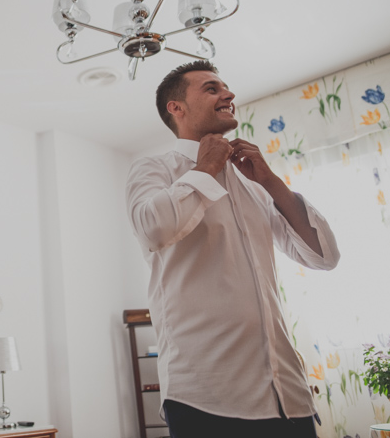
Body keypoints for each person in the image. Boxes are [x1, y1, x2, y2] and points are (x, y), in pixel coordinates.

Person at [126, 60, 340, 438]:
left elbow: (322, 256)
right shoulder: (154, 169)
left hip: (287, 394)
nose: (228, 95)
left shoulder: (254, 183)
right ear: (176, 108)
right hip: (206, 394)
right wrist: (205, 168)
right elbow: (152, 229)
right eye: (211, 88)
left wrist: (271, 181)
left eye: (225, 88)